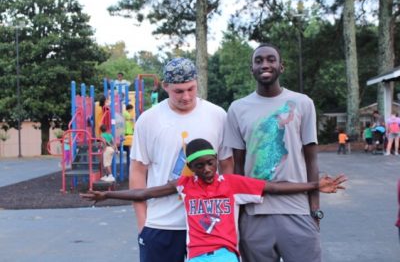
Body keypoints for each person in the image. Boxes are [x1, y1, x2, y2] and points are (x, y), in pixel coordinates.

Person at [81, 139, 347, 262]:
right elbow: (146, 193)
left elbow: (274, 187)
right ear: (191, 168)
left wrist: (315, 185)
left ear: (216, 162)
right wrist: (107, 194)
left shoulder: (232, 184)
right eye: (199, 166)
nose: (206, 170)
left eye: (210, 163)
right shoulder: (185, 185)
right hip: (195, 256)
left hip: (225, 255)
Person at [223, 43, 326, 262]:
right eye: (258, 61)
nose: (265, 64)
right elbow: (238, 167)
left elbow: (311, 159)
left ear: (282, 66)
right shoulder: (237, 108)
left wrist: (315, 209)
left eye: (271, 59)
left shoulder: (302, 103)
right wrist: (239, 216)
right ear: (251, 69)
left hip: (297, 210)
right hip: (254, 214)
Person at [129, 57, 233, 262]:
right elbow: (138, 170)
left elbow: (227, 165)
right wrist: (143, 223)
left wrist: (228, 218)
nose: (186, 96)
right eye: (178, 91)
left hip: (208, 225)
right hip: (161, 224)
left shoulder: (217, 115)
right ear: (165, 86)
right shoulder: (149, 120)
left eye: (191, 89)